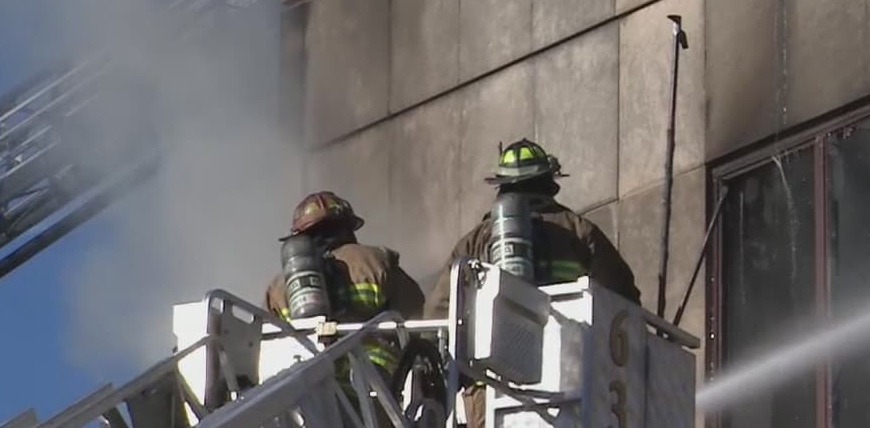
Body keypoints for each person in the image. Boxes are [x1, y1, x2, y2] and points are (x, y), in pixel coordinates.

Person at [425, 138, 640, 427]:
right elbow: (622, 301)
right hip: (567, 386)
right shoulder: (580, 232)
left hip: (489, 393)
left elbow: (438, 316)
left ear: (502, 186)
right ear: (548, 182)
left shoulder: (475, 241)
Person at [264, 191, 425, 423]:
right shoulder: (375, 261)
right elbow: (417, 317)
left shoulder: (278, 288)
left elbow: (267, 345)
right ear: (347, 227)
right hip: (373, 390)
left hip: (308, 400)